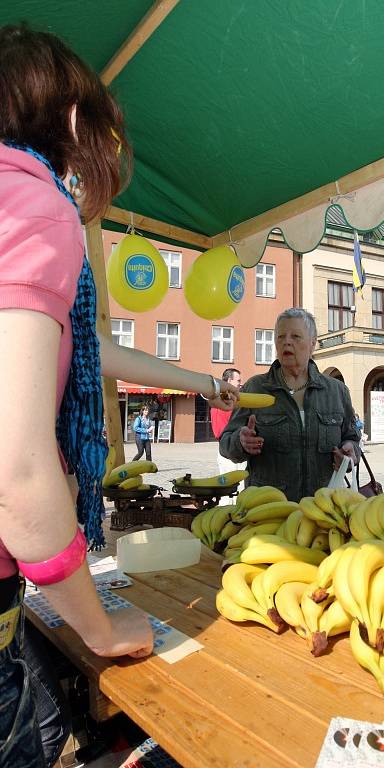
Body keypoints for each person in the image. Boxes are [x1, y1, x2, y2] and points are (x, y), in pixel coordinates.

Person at [0, 24, 239, 768]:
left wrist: (203, 383)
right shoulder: (35, 207)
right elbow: (17, 469)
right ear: (76, 123)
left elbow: (92, 352)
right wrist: (97, 630)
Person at [220, 308, 361, 502]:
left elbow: (352, 439)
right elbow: (225, 444)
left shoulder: (336, 391)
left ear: (312, 343)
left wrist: (350, 453)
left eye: (295, 336)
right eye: (280, 337)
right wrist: (240, 442)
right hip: (268, 509)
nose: (287, 341)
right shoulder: (255, 388)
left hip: (322, 509)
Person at [210, 369, 247, 505]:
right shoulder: (229, 402)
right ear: (229, 381)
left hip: (223, 447)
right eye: (238, 381)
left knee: (225, 488)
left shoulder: (216, 399)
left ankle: (224, 517)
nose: (240, 384)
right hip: (233, 446)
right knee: (238, 488)